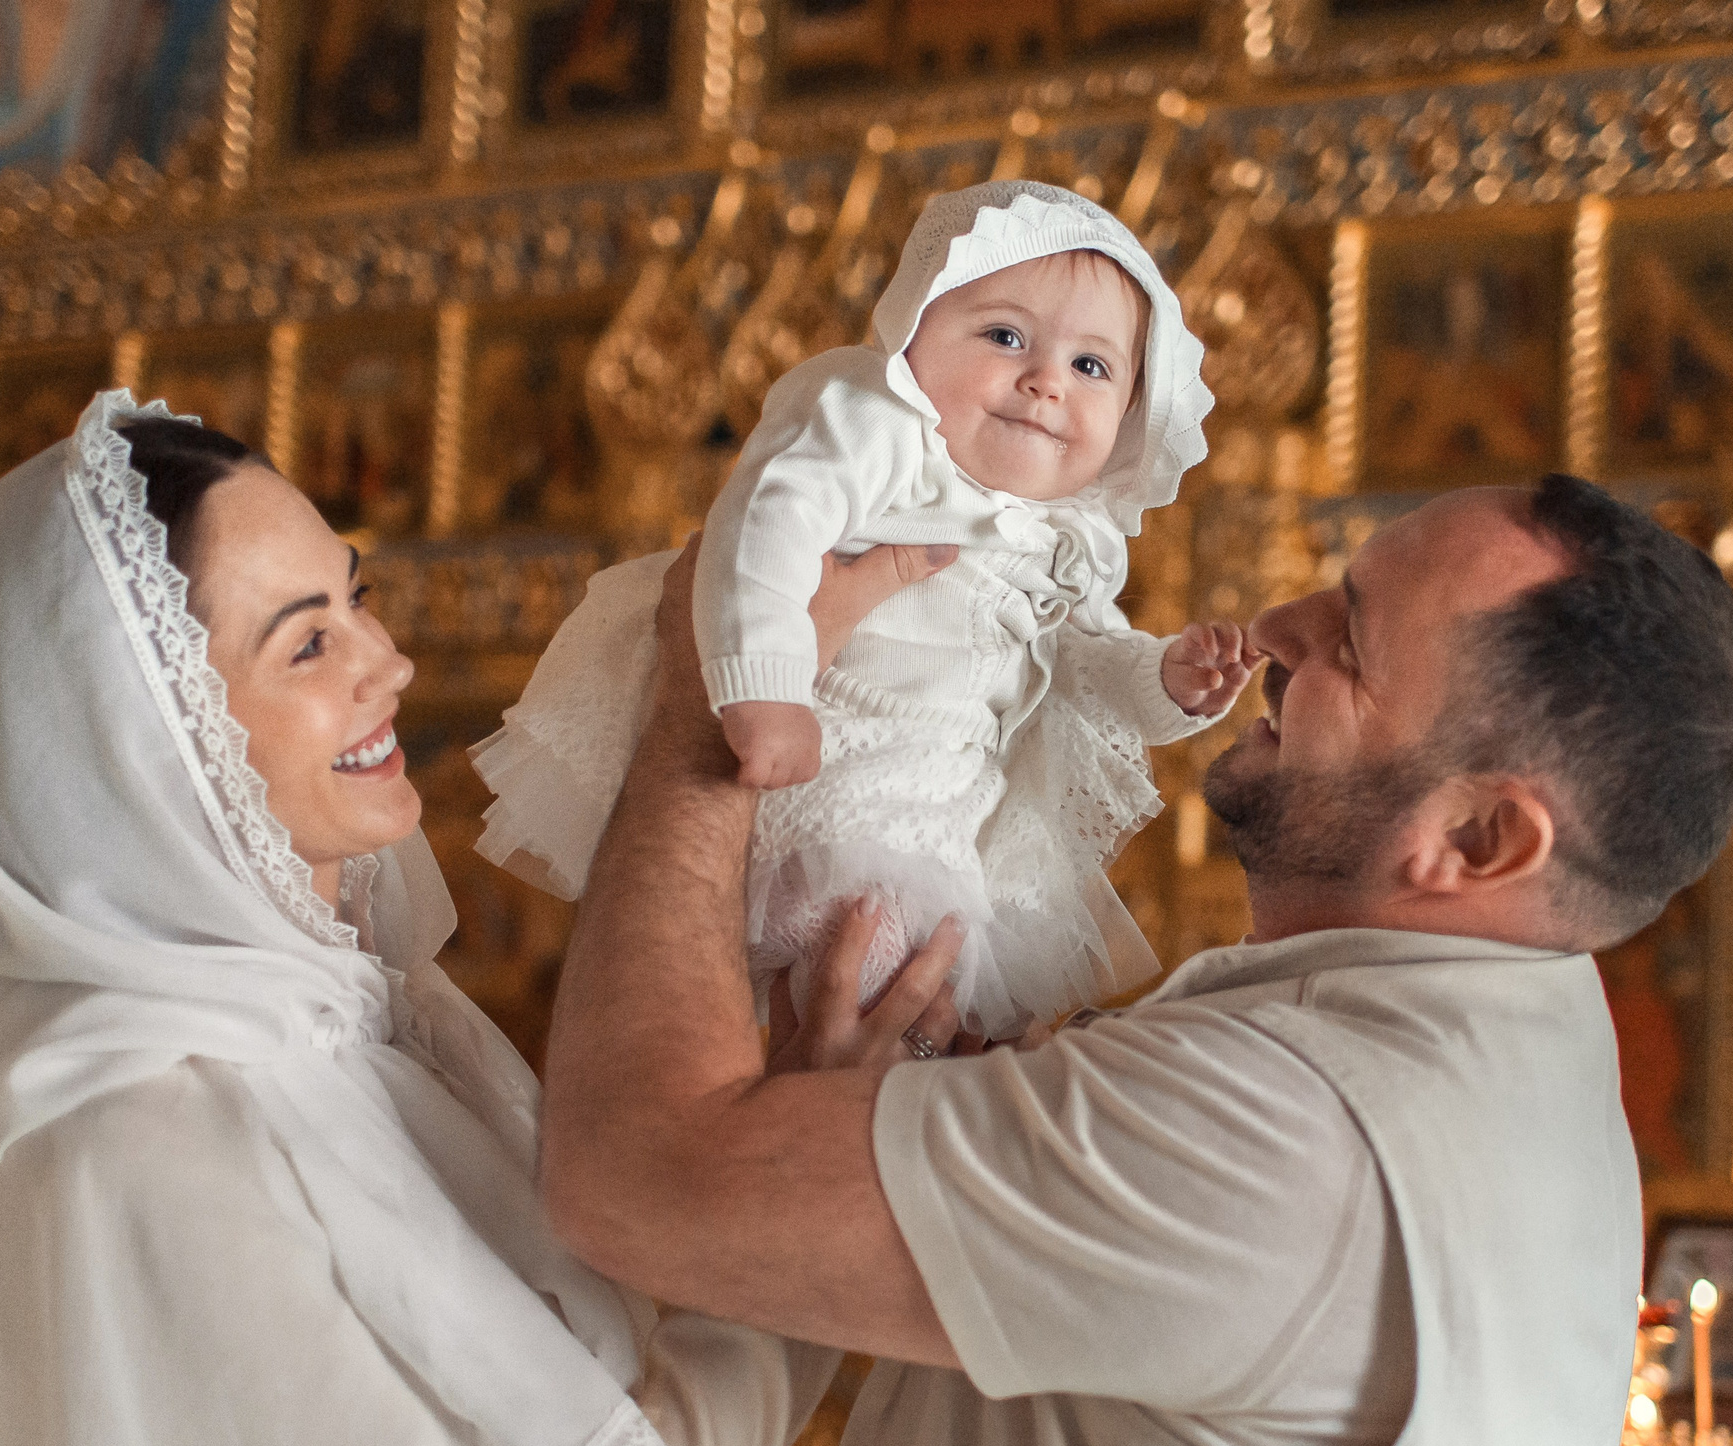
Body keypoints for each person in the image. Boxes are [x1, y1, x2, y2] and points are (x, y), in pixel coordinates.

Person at [538, 476, 1733, 1446]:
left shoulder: (1289, 1137)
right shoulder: (1507, 1040)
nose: (1274, 629)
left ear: (1478, 841)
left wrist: (720, 698)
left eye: (1347, 644)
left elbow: (632, 1177)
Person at [0, 392, 923, 1446]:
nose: (388, 663)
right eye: (307, 643)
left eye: (355, 599)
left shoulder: (376, 1028)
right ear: (143, 748)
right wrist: (783, 1199)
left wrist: (780, 1173)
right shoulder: (145, 1143)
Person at [473, 182, 1253, 1039]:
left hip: (941, 809)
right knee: (859, 976)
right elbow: (766, 524)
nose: (1045, 382)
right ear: (913, 327)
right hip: (824, 759)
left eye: (1091, 367)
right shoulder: (878, 420)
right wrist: (765, 688)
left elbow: (1085, 658)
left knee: (916, 1010)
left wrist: (1167, 679)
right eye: (1005, 336)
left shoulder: (1072, 536)